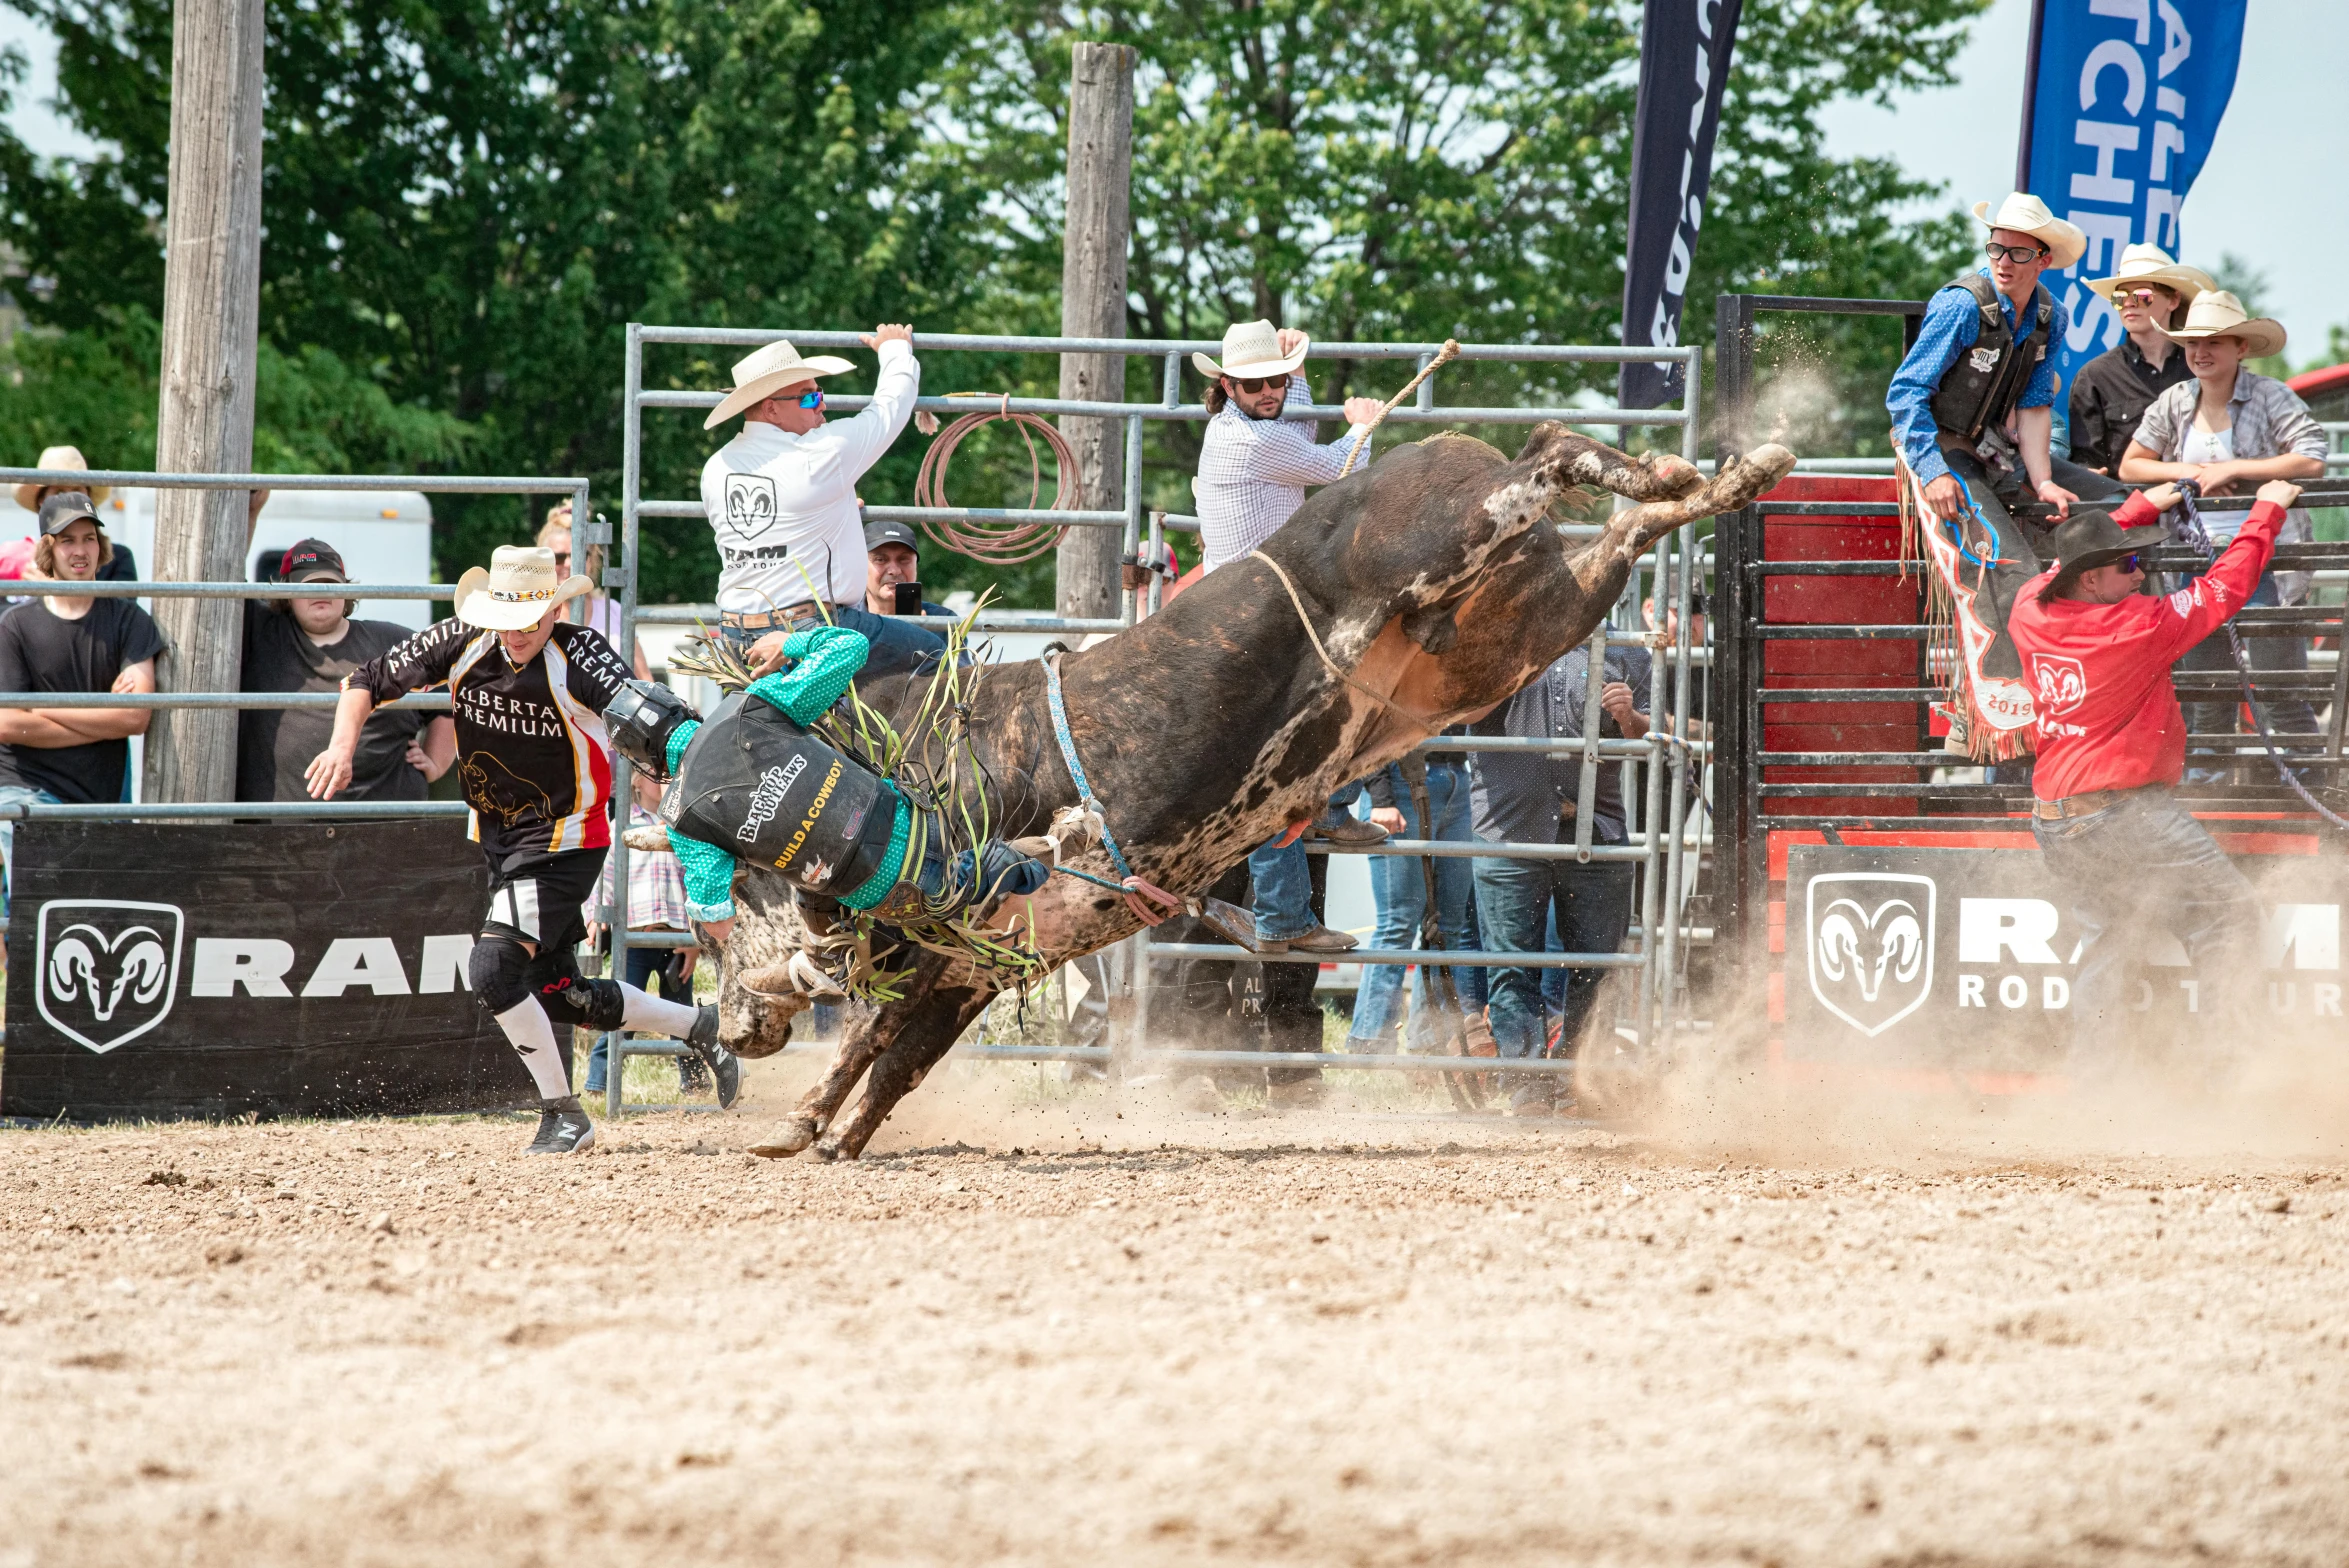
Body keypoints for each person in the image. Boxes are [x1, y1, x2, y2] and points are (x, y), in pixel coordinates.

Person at [307, 545, 740, 1156]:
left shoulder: (581, 653)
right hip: (500, 837)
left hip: (566, 837)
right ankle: (702, 1027)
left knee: (490, 969)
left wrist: (675, 788)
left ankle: (564, 1115)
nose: (518, 631)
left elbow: (652, 720)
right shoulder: (462, 638)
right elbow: (365, 681)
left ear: (554, 608)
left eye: (532, 617)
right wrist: (342, 748)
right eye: (507, 618)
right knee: (559, 991)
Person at [2007, 477, 2303, 1067]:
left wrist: (2140, 509)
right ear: (2092, 580)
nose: (2141, 571)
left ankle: (2096, 1084)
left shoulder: (2029, 606)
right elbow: (2224, 587)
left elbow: (2069, 560)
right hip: (2124, 810)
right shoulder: (2139, 626)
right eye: (2130, 564)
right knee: (2228, 915)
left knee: (2108, 939)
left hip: (2055, 814)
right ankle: (2230, 1071)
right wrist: (2267, 509)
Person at [599, 622, 1048, 1000]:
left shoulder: (683, 820)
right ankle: (1057, 846)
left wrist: (741, 853)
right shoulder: (752, 706)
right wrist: (787, 642)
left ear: (646, 760)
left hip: (887, 896)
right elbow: (851, 645)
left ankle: (823, 960)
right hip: (925, 824)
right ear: (682, 707)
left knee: (809, 879)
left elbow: (716, 922)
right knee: (998, 860)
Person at [1885, 193, 2124, 753]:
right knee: (2006, 564)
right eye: (1996, 246)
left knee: (2114, 504)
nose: (2003, 259)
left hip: (1996, 450)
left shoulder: (2049, 316)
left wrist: (2042, 480)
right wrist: (1932, 468)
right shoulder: (1961, 306)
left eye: (2018, 250)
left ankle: (2098, 671)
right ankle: (1994, 709)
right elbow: (1906, 393)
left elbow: (2037, 404)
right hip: (1940, 450)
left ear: (2043, 259)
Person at [1191, 318, 1390, 956]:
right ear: (1227, 386)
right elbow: (1334, 467)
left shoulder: (1248, 429)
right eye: (1255, 385)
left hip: (1260, 607)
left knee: (1300, 738)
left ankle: (1327, 815)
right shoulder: (1249, 444)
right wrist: (1361, 422)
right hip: (1257, 615)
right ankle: (1292, 894)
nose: (1269, 390)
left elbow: (1292, 435)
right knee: (1281, 757)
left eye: (1275, 380)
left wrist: (1297, 373)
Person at [2118, 291, 2331, 767]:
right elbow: (2131, 467)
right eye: (2193, 341)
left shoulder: (2271, 395)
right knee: (2206, 690)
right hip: (2196, 559)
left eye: (2214, 341)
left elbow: (2311, 457)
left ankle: (2307, 791)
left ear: (2241, 348)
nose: (2200, 351)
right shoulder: (2174, 400)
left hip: (2266, 560)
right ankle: (2213, 795)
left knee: (2280, 688)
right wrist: (2192, 474)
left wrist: (2237, 468)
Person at [699, 325, 947, 682]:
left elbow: (777, 524)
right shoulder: (820, 454)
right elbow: (891, 407)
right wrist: (894, 349)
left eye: (819, 393)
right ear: (771, 409)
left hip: (736, 634)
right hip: (810, 630)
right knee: (936, 655)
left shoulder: (716, 467)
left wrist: (838, 507)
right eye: (809, 397)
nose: (823, 404)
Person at [1468, 635, 1652, 1116]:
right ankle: (1529, 1086)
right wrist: (1505, 670)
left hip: (1594, 826)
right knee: (1512, 963)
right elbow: (1460, 713)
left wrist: (1628, 717)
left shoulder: (1628, 653)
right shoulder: (1496, 644)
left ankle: (1579, 1083)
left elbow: (1652, 733)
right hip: (1509, 827)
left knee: (1598, 965)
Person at [0, 491, 162, 898]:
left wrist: (40, 704)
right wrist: (102, 718)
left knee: (95, 920)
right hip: (26, 791)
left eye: (89, 538)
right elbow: (8, 724)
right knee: (37, 918)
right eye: (67, 540)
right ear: (47, 550)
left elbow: (135, 718)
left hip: (103, 797)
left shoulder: (129, 619)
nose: (80, 550)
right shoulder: (14, 625)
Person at [236, 538, 456, 802]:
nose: (321, 592)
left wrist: (435, 763)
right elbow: (225, 560)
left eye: (329, 583)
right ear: (288, 595)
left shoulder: (391, 642)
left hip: (387, 830)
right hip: (280, 832)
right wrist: (254, 506)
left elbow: (451, 698)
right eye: (309, 584)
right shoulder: (261, 633)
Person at [1345, 741, 1489, 1055]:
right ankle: (1370, 1045)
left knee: (1449, 924)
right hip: (1400, 775)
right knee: (1398, 922)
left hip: (1456, 775)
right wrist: (1381, 795)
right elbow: (1376, 717)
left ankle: (1427, 1045)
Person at [581, 765, 707, 1100]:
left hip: (677, 941)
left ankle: (694, 1082)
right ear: (636, 782)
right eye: (658, 776)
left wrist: (694, 940)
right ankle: (599, 1083)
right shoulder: (623, 826)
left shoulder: (686, 829)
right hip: (634, 939)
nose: (666, 781)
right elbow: (603, 878)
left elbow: (697, 883)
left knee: (681, 1012)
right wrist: (596, 916)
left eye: (670, 776)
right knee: (621, 1010)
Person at [2066, 244, 2212, 477]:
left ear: (2173, 300)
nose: (2129, 303)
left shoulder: (2203, 369)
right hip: (2129, 507)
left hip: (2199, 505)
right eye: (2119, 297)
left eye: (2142, 296)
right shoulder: (2095, 376)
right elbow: (2086, 460)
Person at [537, 502, 651, 679]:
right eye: (558, 557)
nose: (569, 564)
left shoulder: (613, 611)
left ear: (592, 560)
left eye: (579, 556)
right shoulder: (531, 613)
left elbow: (644, 679)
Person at [15, 446, 138, 581]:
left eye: (77, 491)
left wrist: (50, 590)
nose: (70, 499)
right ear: (42, 502)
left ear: (89, 498)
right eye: (59, 492)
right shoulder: (20, 561)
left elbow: (122, 602)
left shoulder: (118, 558)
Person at [861, 518, 950, 618]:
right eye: (880, 559)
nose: (894, 571)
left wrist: (923, 632)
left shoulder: (943, 620)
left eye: (903, 559)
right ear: (860, 566)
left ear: (916, 565)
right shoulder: (846, 621)